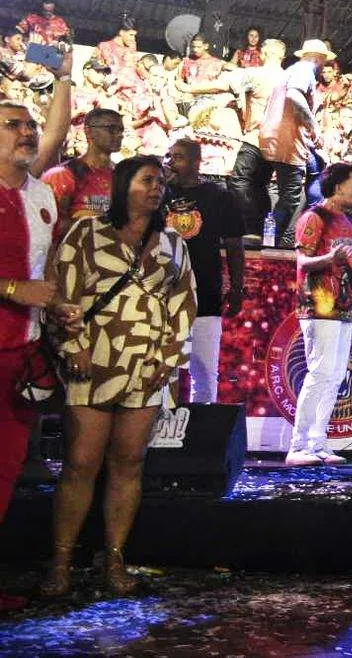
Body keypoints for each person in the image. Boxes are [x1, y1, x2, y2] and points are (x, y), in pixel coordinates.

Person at [41, 155, 197, 597]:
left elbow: (182, 305)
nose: (157, 188)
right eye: (147, 180)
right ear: (123, 185)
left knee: (129, 465)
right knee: (81, 465)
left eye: (161, 182)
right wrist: (74, 346)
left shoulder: (173, 243)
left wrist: (167, 361)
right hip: (92, 362)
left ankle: (114, 560)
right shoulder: (87, 233)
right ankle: (61, 563)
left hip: (145, 367)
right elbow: (61, 293)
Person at [0, 64, 75, 611]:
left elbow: (56, 133)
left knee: (4, 472)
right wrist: (11, 288)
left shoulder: (41, 196)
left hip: (24, 355)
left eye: (30, 126)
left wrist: (56, 309)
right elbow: (21, 285)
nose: (27, 133)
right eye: (11, 125)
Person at [285, 162, 352, 466]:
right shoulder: (315, 216)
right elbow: (301, 261)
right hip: (318, 305)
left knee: (336, 374)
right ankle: (298, 446)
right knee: (320, 373)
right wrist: (330, 257)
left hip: (343, 306)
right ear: (338, 187)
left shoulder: (348, 222)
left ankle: (318, 442)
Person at [164, 138, 246, 404]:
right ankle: (162, 430)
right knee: (165, 367)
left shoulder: (219, 196)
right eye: (169, 156)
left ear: (196, 162)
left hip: (205, 291)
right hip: (164, 292)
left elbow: (235, 245)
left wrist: (236, 288)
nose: (171, 162)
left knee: (204, 368)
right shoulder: (160, 193)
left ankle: (202, 433)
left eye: (178, 157)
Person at [209, 37, 288, 237]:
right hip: (280, 142)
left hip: (258, 137)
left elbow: (222, 85)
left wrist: (186, 88)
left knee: (240, 180)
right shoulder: (289, 78)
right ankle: (262, 229)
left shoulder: (256, 73)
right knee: (259, 184)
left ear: (264, 54)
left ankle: (251, 226)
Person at [258, 38, 333, 244]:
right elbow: (294, 95)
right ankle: (274, 242)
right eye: (324, 62)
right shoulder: (304, 71)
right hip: (287, 142)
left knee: (286, 193)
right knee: (291, 197)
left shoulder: (291, 70)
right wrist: (314, 127)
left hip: (276, 138)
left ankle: (277, 240)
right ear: (319, 59)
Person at [40, 106, 122, 236]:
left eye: (121, 130)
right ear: (89, 132)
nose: (119, 135)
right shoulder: (63, 175)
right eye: (111, 129)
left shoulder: (123, 175)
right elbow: (45, 225)